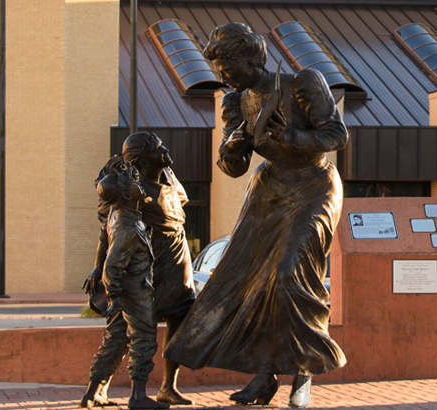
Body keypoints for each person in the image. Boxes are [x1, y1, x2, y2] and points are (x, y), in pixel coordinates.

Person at [163, 22, 348, 409]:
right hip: (270, 189)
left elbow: (335, 135)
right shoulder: (235, 101)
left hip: (314, 184)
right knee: (245, 278)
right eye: (218, 71)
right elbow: (233, 167)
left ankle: (303, 373)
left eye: (227, 68)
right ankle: (264, 376)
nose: (223, 77)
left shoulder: (302, 83)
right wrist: (232, 150)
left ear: (250, 59)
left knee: (288, 273)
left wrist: (293, 139)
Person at [81, 168, 168, 410]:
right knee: (144, 339)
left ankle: (92, 393)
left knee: (115, 339)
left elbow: (103, 240)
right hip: (135, 292)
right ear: (126, 196)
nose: (137, 181)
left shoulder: (116, 214)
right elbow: (112, 266)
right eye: (131, 183)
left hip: (125, 292)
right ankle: (138, 396)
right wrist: (114, 297)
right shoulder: (127, 228)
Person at [122, 131, 197, 405]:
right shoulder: (134, 191)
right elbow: (112, 230)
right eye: (158, 148)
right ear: (142, 161)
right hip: (152, 266)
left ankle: (168, 386)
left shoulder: (169, 178)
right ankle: (131, 392)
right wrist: (100, 267)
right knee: (141, 329)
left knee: (179, 322)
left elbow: (181, 204)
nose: (165, 150)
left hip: (179, 264)